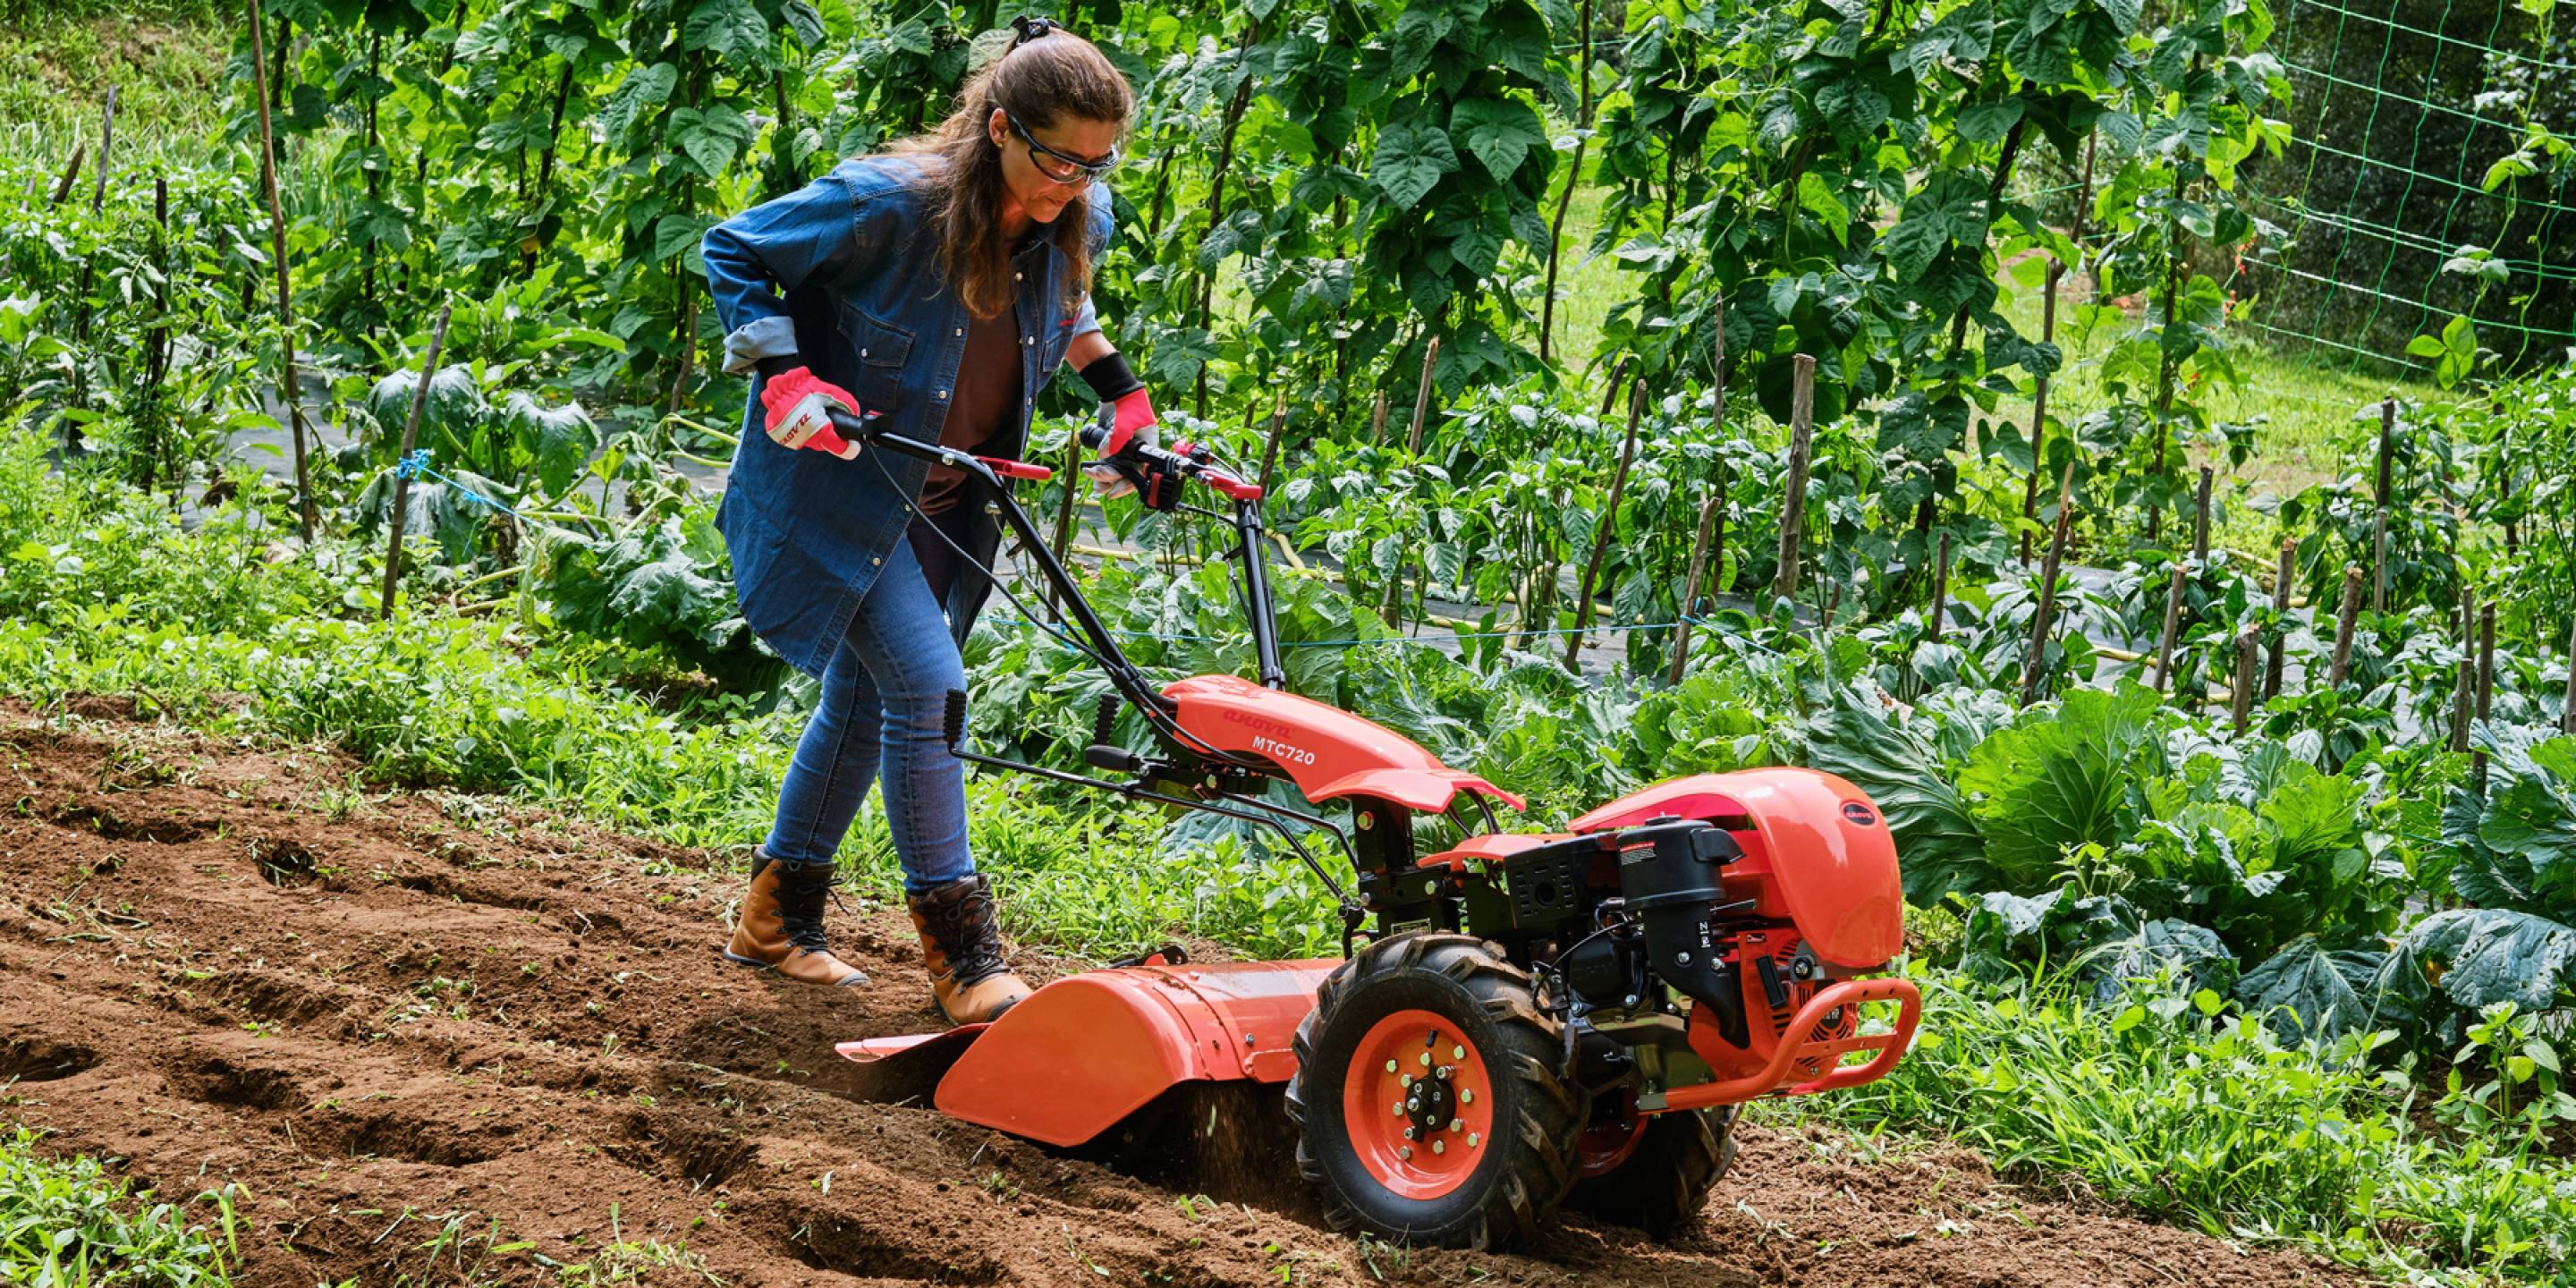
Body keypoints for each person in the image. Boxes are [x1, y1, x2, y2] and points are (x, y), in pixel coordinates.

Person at [698, 19, 1156, 1025]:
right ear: (999, 128)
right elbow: (733, 248)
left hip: (948, 502)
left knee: (867, 703)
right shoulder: (887, 206)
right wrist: (785, 374)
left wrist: (1124, 404)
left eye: (1095, 165)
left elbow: (1067, 315)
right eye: (1056, 161)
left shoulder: (1079, 214)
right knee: (928, 684)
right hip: (839, 497)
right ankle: (963, 956)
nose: (1072, 186)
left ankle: (776, 919)